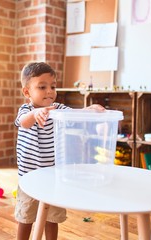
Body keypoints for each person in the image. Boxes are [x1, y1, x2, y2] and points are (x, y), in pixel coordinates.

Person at [14, 62, 104, 240]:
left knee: (52, 217)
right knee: (25, 217)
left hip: (53, 175)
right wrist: (35, 114)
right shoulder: (27, 110)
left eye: (52, 86)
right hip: (29, 177)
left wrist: (90, 110)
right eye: (42, 87)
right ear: (27, 92)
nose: (49, 91)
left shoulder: (59, 109)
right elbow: (24, 122)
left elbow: (75, 115)